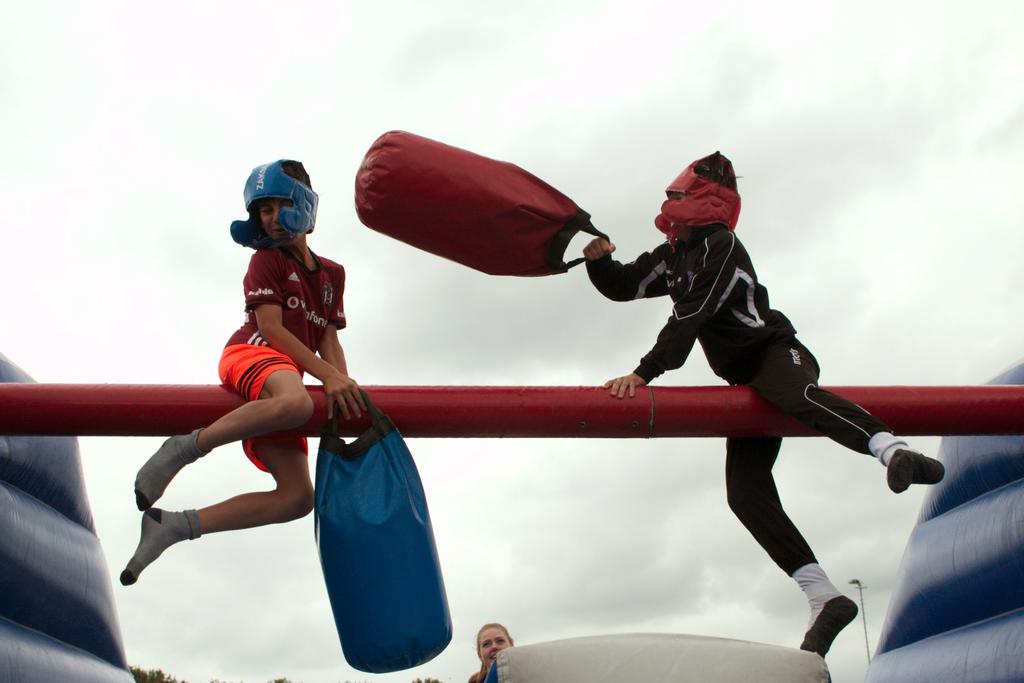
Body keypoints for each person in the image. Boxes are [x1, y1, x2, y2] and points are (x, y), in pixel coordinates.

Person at [582, 151, 944, 658]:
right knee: (745, 493)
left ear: (703, 202)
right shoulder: (672, 254)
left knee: (796, 395)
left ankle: (895, 452)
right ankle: (824, 596)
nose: (669, 203)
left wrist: (644, 373)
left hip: (776, 353)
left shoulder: (720, 245)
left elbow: (693, 313)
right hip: (742, 383)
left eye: (677, 195)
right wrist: (598, 261)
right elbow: (624, 286)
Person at [121, 159, 366, 586]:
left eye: (279, 206)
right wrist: (325, 377)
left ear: (307, 205)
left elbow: (329, 340)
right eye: (263, 211)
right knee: (294, 399)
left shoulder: (332, 274)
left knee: (297, 498)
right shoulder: (265, 260)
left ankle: (175, 526)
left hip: (286, 378)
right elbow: (271, 328)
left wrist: (338, 395)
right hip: (252, 352)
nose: (271, 219)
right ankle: (184, 449)